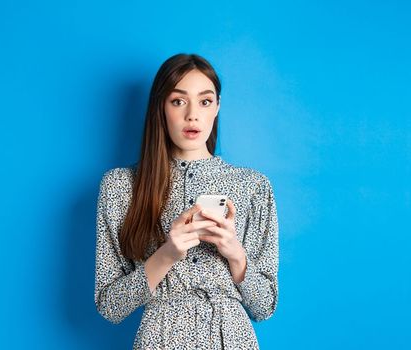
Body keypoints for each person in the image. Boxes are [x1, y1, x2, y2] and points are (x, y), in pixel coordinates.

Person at [93, 53, 280, 349]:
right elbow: (110, 307)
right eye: (178, 101)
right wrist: (167, 253)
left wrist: (235, 253)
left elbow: (265, 307)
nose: (192, 115)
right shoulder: (121, 186)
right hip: (160, 337)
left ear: (217, 107)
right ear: (161, 108)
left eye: (205, 101)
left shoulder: (253, 186)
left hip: (231, 339)